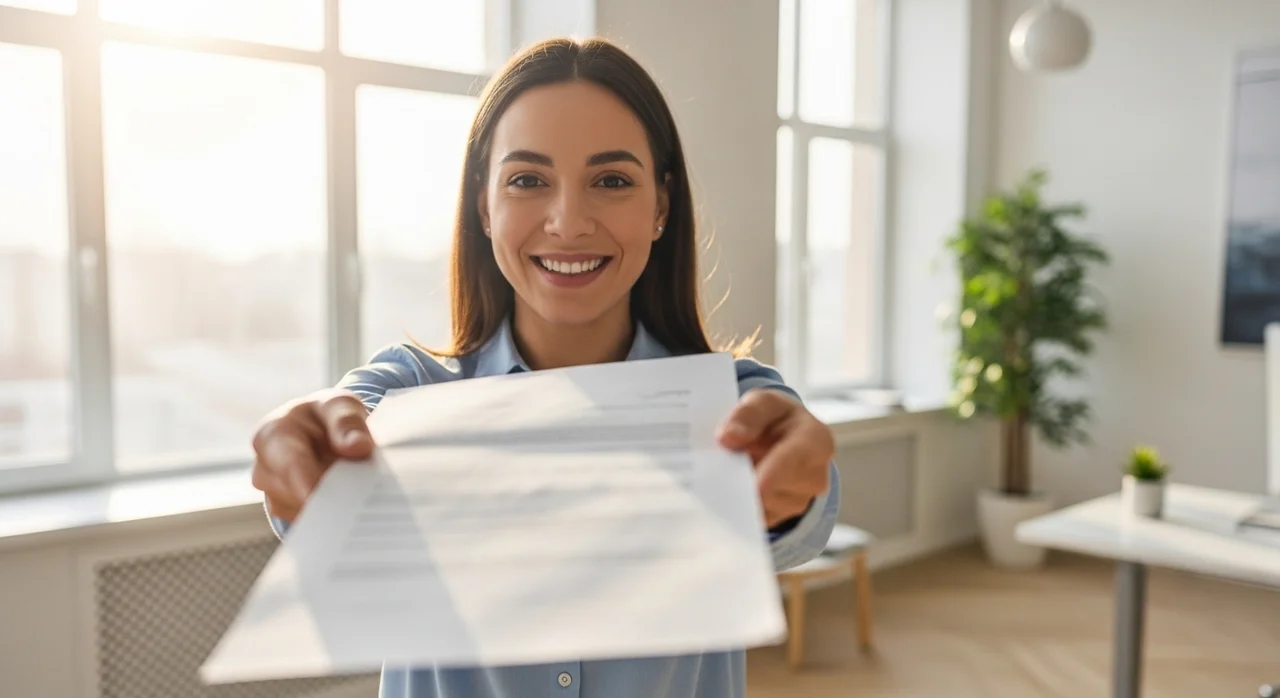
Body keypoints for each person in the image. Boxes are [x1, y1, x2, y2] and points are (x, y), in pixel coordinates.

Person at [250, 36, 840, 698]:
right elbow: (325, 457)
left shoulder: (734, 400)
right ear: (484, 205)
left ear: (661, 206)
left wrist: (789, 488)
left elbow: (805, 513)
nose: (568, 222)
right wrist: (303, 445)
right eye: (528, 180)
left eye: (611, 181)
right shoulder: (407, 392)